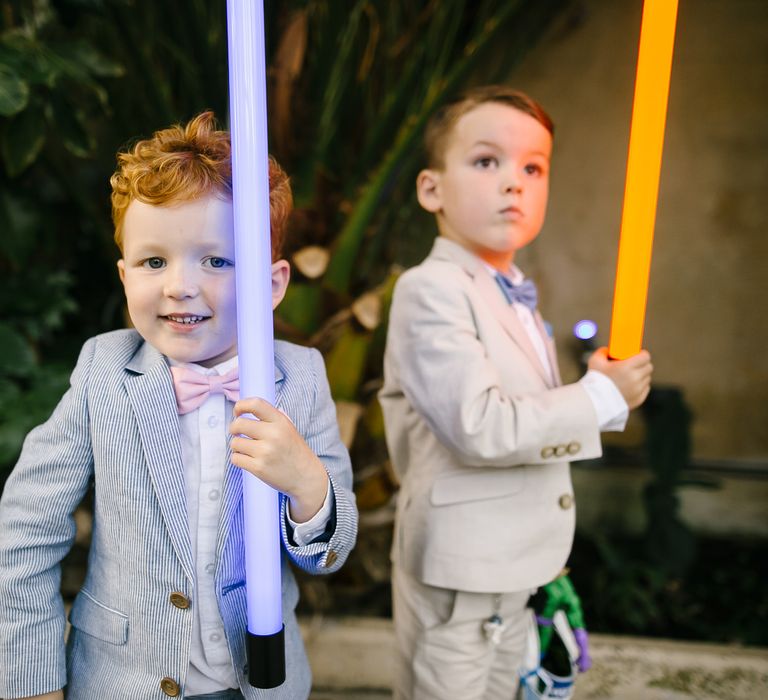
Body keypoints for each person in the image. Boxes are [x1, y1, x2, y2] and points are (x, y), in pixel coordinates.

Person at [0, 112, 358, 700]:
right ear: (124, 275)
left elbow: (331, 555)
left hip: (259, 680)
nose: (179, 286)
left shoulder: (300, 379)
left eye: (215, 260)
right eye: (153, 261)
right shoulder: (104, 373)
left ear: (271, 285)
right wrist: (35, 683)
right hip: (121, 682)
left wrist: (307, 485)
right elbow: (25, 528)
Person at [378, 85, 653, 700]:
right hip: (461, 575)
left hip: (514, 568)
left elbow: (533, 419)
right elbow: (483, 426)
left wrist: (598, 399)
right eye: (486, 161)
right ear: (432, 190)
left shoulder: (512, 290)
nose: (515, 182)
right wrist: (600, 398)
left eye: (533, 167)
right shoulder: (432, 289)